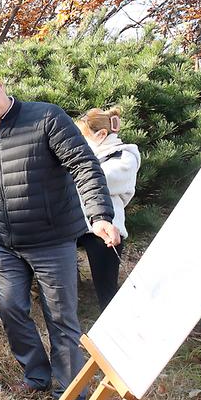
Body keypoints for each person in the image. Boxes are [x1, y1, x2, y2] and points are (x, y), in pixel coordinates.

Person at [0, 65, 119, 400]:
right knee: (11, 309)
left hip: (52, 240)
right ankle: (36, 375)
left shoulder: (46, 117)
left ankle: (70, 394)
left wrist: (99, 215)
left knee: (61, 318)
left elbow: (83, 165)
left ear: (0, 85)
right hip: (4, 246)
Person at [75, 106, 140, 311]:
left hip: (106, 229)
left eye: (83, 137)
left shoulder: (125, 157)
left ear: (101, 134)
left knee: (106, 287)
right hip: (76, 223)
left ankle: (113, 329)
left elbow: (97, 181)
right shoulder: (85, 157)